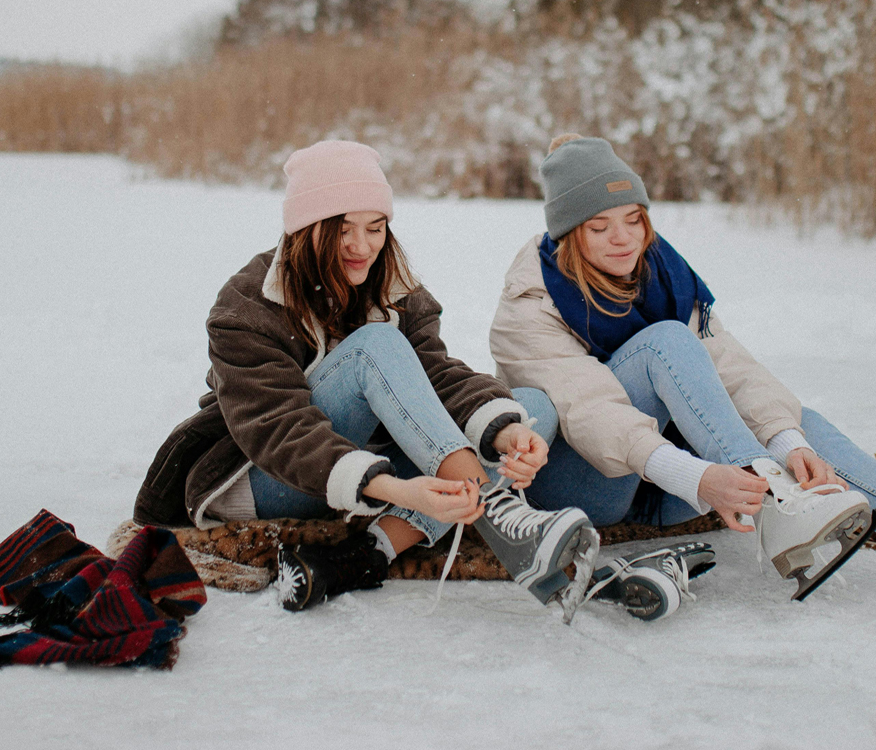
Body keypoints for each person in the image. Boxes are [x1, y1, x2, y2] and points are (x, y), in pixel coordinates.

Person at [489, 134, 876, 611]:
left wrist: (787, 441)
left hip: (675, 481)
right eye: (599, 226)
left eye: (633, 219)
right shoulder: (530, 302)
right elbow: (596, 415)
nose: (624, 239)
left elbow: (734, 372)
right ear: (568, 233)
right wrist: (703, 478)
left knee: (797, 423)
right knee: (666, 342)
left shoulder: (662, 275)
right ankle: (779, 503)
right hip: (590, 480)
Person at [132, 140, 599, 616]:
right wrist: (397, 489)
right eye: (341, 231)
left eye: (375, 228)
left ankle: (363, 555)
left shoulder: (395, 288)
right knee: (376, 347)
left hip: (360, 467)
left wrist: (509, 433)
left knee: (528, 408)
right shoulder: (246, 306)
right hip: (263, 476)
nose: (361, 247)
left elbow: (436, 374)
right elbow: (278, 432)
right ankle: (501, 515)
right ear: (301, 231)